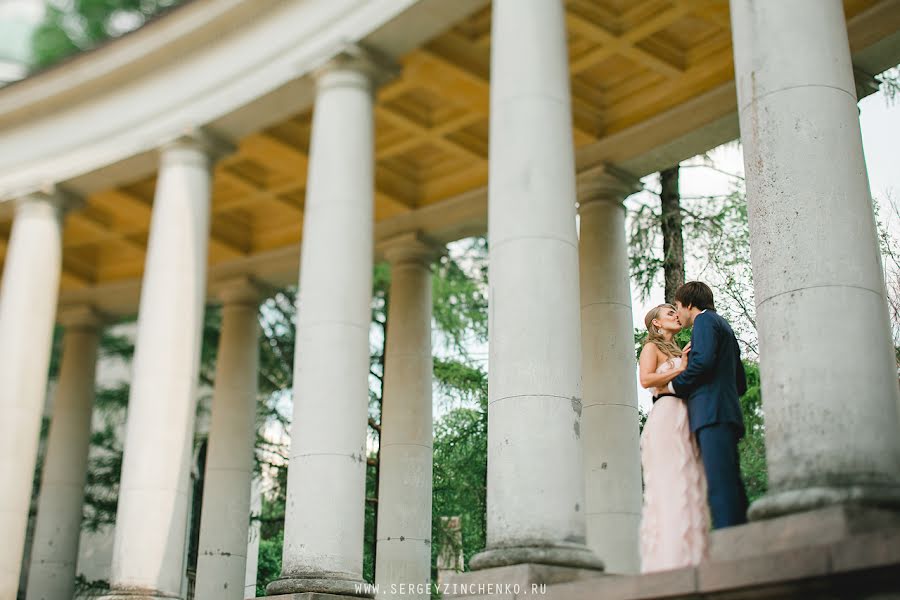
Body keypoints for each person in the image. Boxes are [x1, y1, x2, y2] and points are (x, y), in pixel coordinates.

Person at [667, 281, 749, 530]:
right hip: (726, 412)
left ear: (689, 305)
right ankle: (740, 534)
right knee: (731, 482)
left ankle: (729, 539)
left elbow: (702, 363)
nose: (678, 313)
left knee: (720, 484)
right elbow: (741, 382)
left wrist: (674, 387)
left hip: (711, 414)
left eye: (678, 307)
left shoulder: (704, 321)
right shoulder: (723, 325)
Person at [638, 303, 709, 573]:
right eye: (669, 313)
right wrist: (682, 369)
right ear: (656, 323)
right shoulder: (650, 348)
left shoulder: (682, 351)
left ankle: (692, 556)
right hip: (666, 414)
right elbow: (646, 380)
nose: (675, 315)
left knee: (690, 483)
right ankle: (668, 561)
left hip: (687, 415)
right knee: (670, 484)